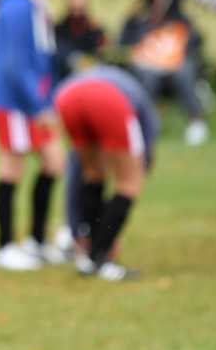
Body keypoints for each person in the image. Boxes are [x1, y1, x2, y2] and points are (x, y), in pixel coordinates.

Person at [0, 0, 70, 271]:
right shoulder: (18, 3)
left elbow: (40, 58)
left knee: (53, 162)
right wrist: (39, 105)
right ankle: (4, 246)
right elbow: (15, 64)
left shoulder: (32, 1)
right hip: (14, 100)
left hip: (31, 98)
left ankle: (36, 240)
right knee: (12, 166)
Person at [54, 64, 159, 281]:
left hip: (66, 97)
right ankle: (101, 257)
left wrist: (76, 226)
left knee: (92, 174)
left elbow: (77, 172)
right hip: (107, 100)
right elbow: (148, 139)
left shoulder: (94, 76)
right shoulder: (137, 96)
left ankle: (88, 250)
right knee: (130, 183)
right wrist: (144, 162)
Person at [119, 0, 211, 146]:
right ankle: (146, 121)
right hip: (147, 70)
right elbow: (125, 43)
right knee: (147, 77)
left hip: (174, 69)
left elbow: (193, 46)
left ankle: (196, 121)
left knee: (184, 72)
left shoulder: (183, 21)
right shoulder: (139, 19)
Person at [54, 0, 107, 83]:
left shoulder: (94, 28)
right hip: (66, 76)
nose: (77, 1)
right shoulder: (59, 28)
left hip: (90, 76)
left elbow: (101, 52)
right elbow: (60, 52)